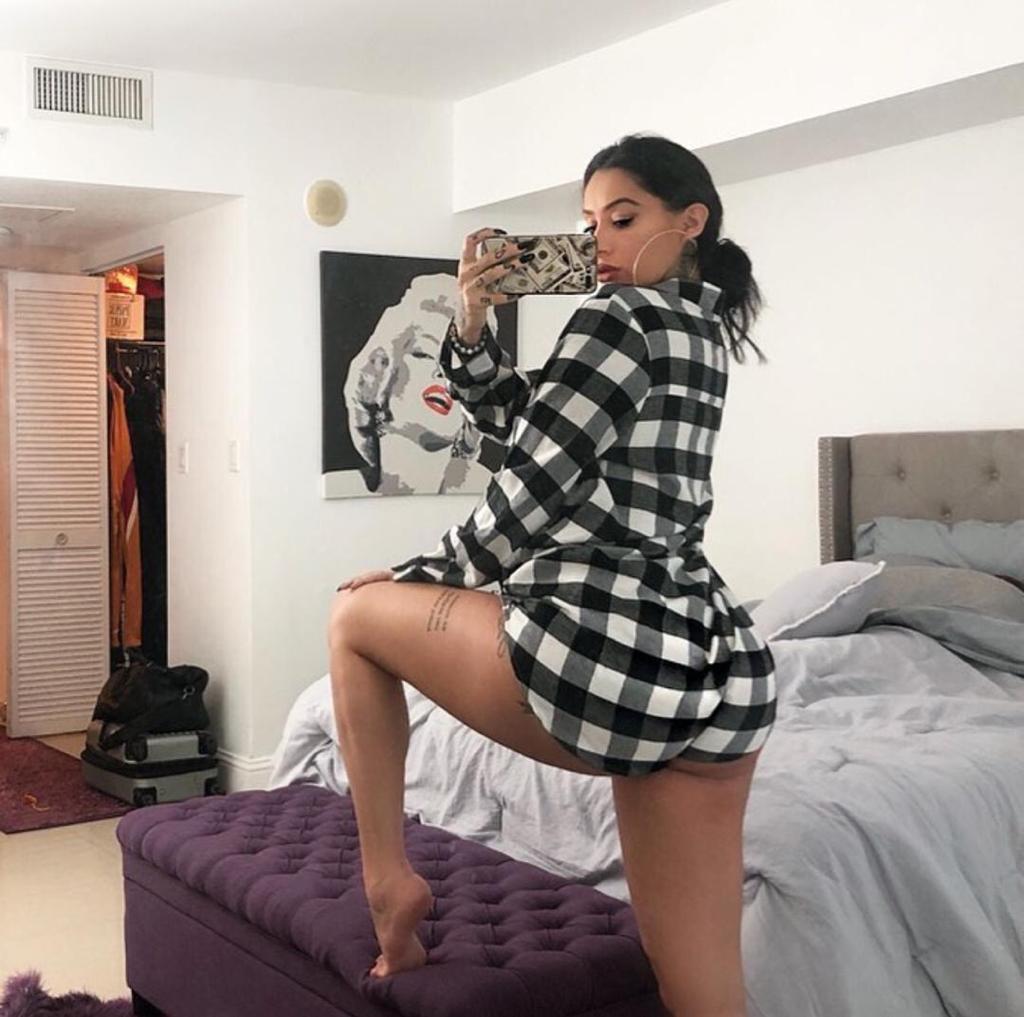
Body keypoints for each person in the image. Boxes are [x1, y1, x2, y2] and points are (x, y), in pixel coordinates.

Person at [327, 132, 777, 1017]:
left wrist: (427, 572)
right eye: (589, 222)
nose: (599, 239)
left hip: (610, 649)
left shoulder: (619, 317)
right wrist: (471, 323)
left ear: (691, 220)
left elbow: (533, 484)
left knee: (354, 619)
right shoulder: (700, 330)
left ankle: (389, 882)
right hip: (718, 669)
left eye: (623, 218)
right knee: (706, 992)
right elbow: (534, 421)